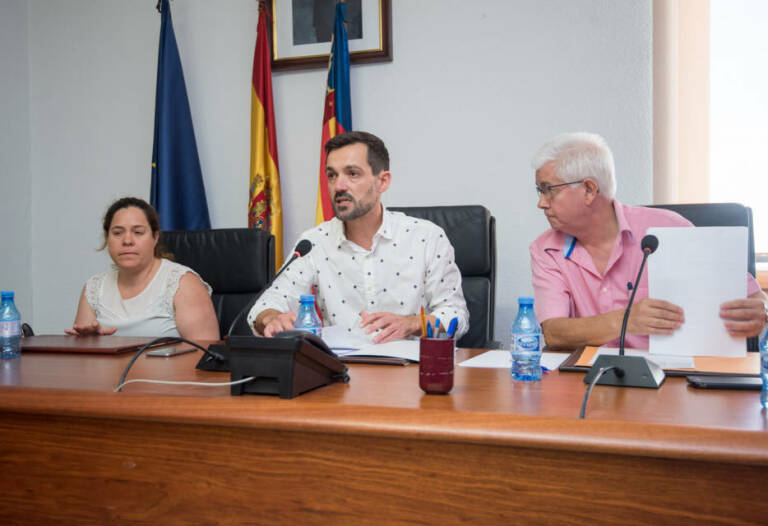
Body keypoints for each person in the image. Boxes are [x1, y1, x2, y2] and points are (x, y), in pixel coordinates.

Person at [529, 132, 767, 349]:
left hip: (677, 376)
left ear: (589, 190)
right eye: (540, 191)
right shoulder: (546, 249)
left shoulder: (669, 227)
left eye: (549, 189)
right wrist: (626, 320)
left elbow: (753, 297)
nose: (542, 203)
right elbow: (554, 333)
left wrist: (762, 311)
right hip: (592, 379)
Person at [248, 131, 469, 343]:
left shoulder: (427, 237)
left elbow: (456, 314)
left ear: (383, 181)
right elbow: (266, 305)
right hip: (341, 372)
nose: (339, 186)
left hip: (412, 373)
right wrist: (271, 318)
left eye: (352, 174)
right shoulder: (313, 242)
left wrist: (412, 323)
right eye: (332, 175)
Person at [67, 197, 219, 340]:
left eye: (138, 232)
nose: (127, 241)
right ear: (108, 239)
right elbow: (80, 358)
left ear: (155, 237)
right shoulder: (94, 287)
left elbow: (205, 355)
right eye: (117, 233)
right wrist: (88, 343)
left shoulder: (183, 283)